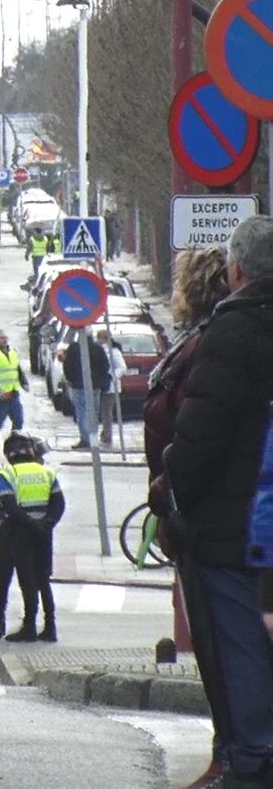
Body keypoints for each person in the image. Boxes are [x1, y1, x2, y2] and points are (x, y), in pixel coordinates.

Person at [166, 216, 273, 786]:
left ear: (237, 271)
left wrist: (173, 491)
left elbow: (197, 440)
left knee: (240, 650)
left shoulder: (232, 333)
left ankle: (250, 760)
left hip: (233, 529)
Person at [0, 432, 63, 642]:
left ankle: (24, 627)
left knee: (17, 580)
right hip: (44, 534)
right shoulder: (47, 473)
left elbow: (8, 505)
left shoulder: (8, 473)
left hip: (17, 533)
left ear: (9, 454)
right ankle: (50, 627)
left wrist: (30, 524)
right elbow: (59, 504)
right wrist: (47, 524)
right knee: (42, 580)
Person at [61, 327, 112, 451]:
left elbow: (67, 366)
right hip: (95, 387)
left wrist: (71, 380)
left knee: (81, 412)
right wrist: (99, 380)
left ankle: (86, 439)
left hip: (78, 385)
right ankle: (92, 438)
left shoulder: (73, 348)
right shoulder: (98, 349)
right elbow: (105, 366)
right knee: (93, 412)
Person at [99, 329, 128, 449]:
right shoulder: (99, 350)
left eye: (100, 338)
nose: (98, 340)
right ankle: (104, 433)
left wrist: (112, 377)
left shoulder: (114, 352)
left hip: (110, 387)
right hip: (99, 386)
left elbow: (122, 367)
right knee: (103, 412)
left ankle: (107, 435)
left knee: (107, 412)